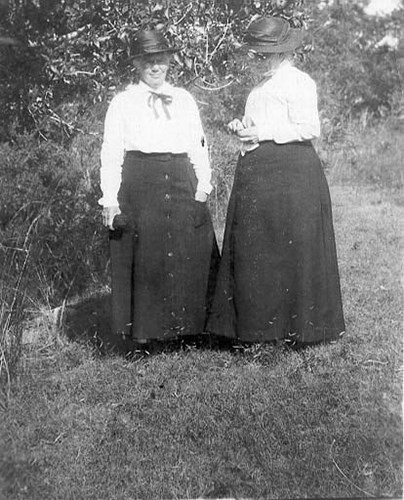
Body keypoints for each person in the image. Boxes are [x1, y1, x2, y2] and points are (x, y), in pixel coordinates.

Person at [207, 16, 345, 345]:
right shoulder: (258, 89)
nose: (259, 60)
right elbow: (257, 127)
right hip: (257, 172)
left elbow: (309, 128)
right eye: (256, 54)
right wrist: (241, 127)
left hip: (292, 172)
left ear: (283, 52)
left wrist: (264, 132)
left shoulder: (299, 82)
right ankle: (260, 329)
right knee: (260, 249)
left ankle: (301, 329)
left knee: (293, 250)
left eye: (265, 53)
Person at [100, 29, 219, 347]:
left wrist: (203, 186)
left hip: (181, 177)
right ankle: (148, 333)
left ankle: (191, 328)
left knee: (188, 249)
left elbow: (199, 143)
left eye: (161, 60)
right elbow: (111, 152)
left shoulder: (184, 99)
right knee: (148, 255)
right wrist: (109, 199)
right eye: (148, 61)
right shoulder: (123, 102)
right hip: (141, 180)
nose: (156, 67)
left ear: (170, 61)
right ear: (137, 63)